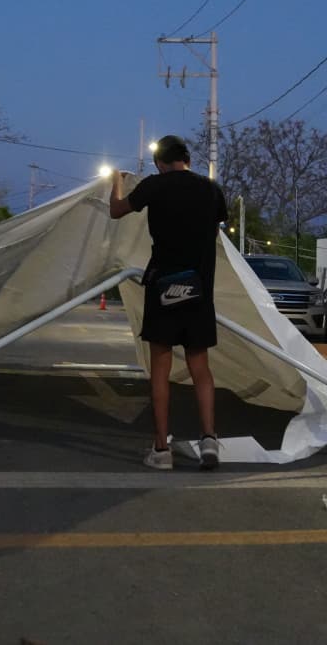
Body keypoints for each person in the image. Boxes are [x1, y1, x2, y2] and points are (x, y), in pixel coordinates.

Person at [107, 135, 228, 471]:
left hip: (163, 286)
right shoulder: (211, 190)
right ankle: (209, 441)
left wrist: (115, 182)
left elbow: (117, 211)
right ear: (186, 159)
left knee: (160, 367)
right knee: (200, 368)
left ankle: (162, 449)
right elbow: (215, 231)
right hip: (199, 288)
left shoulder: (154, 186)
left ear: (160, 162)